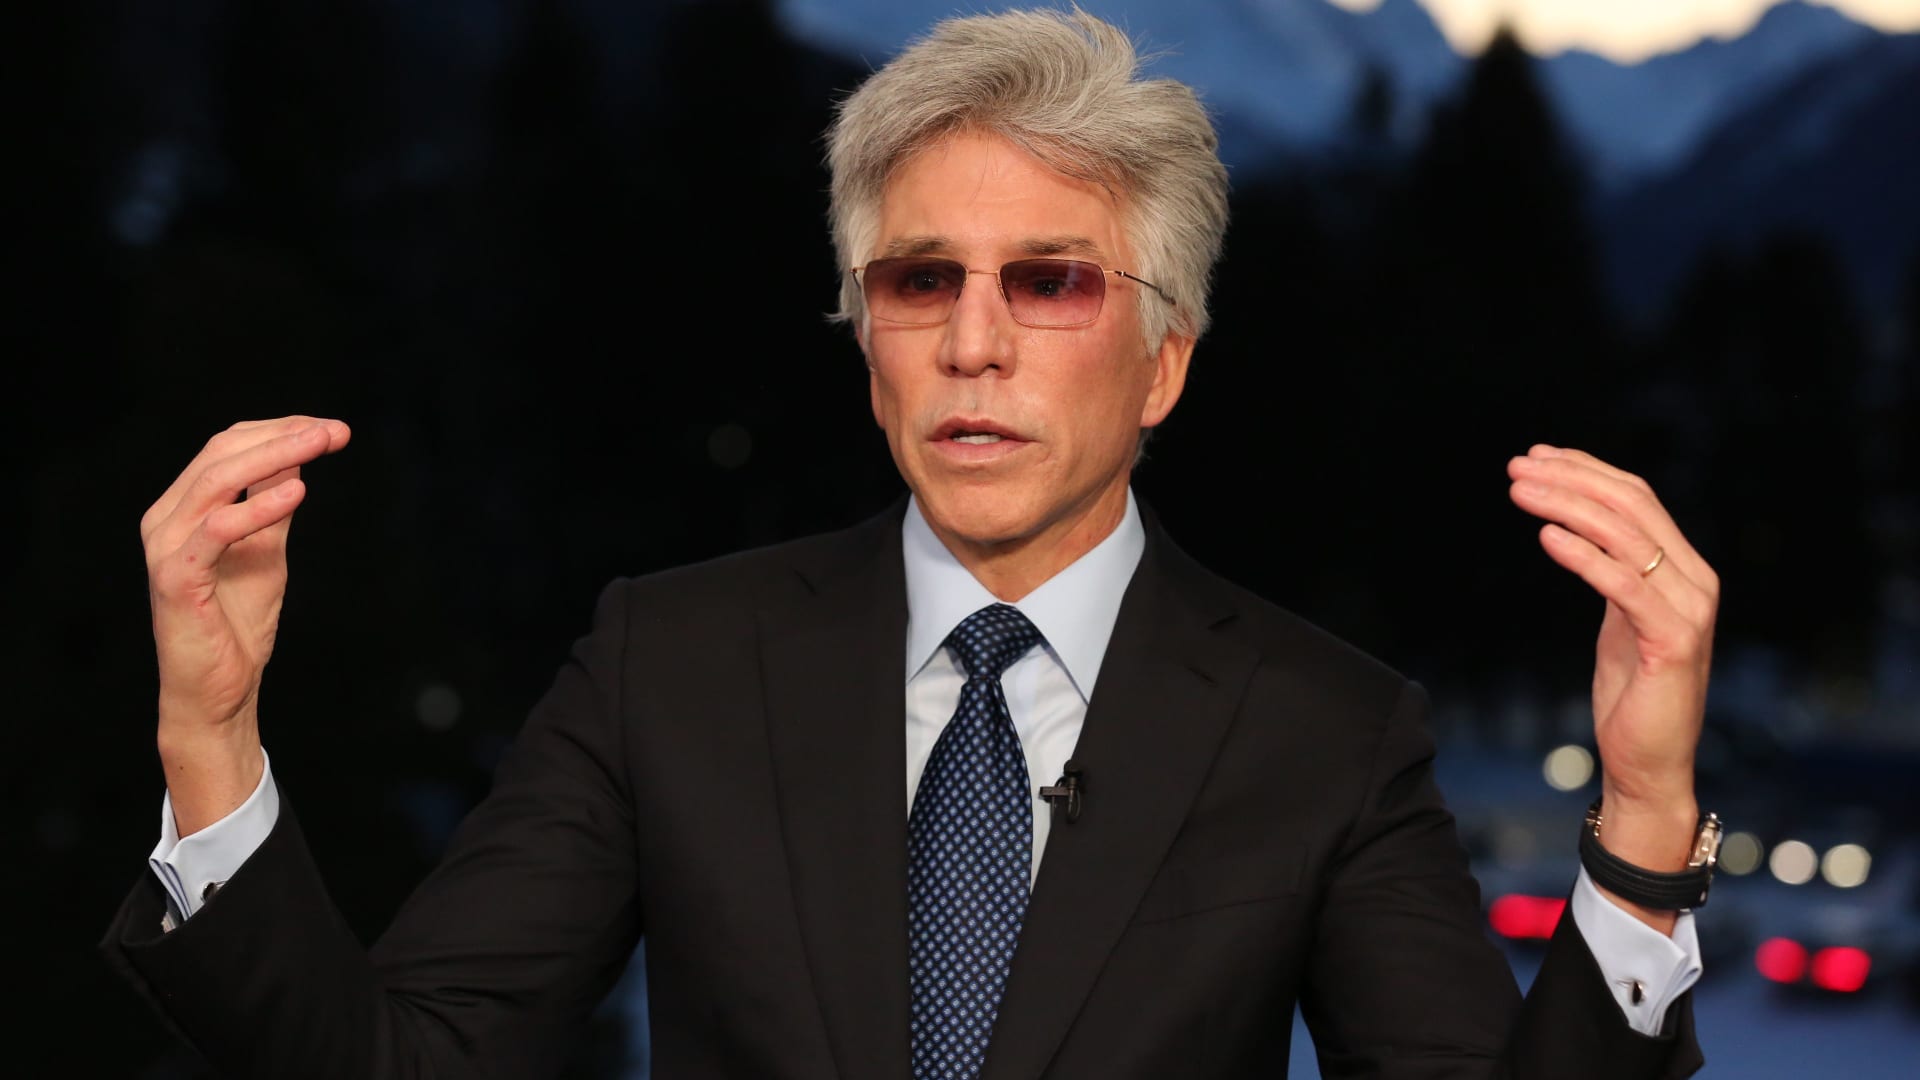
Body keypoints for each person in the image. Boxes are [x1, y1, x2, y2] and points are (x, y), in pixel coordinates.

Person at [103, 8, 1720, 1078]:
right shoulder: (672, 665)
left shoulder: (1322, 731)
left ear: (1164, 361)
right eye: (920, 279)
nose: (973, 342)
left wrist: (1645, 821)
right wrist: (211, 741)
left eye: (1051, 281)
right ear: (865, 334)